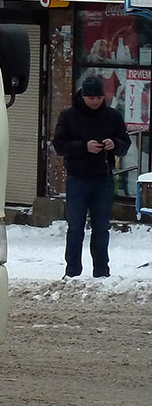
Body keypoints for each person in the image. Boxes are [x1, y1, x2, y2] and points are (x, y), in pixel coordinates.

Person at [52, 75, 131, 278]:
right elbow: (59, 145)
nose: (95, 101)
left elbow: (125, 142)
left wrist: (115, 144)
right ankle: (72, 272)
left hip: (103, 179)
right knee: (76, 227)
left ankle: (102, 272)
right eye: (91, 98)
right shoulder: (69, 116)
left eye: (98, 97)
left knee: (102, 228)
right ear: (83, 96)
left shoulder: (112, 116)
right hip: (77, 179)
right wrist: (83, 147)